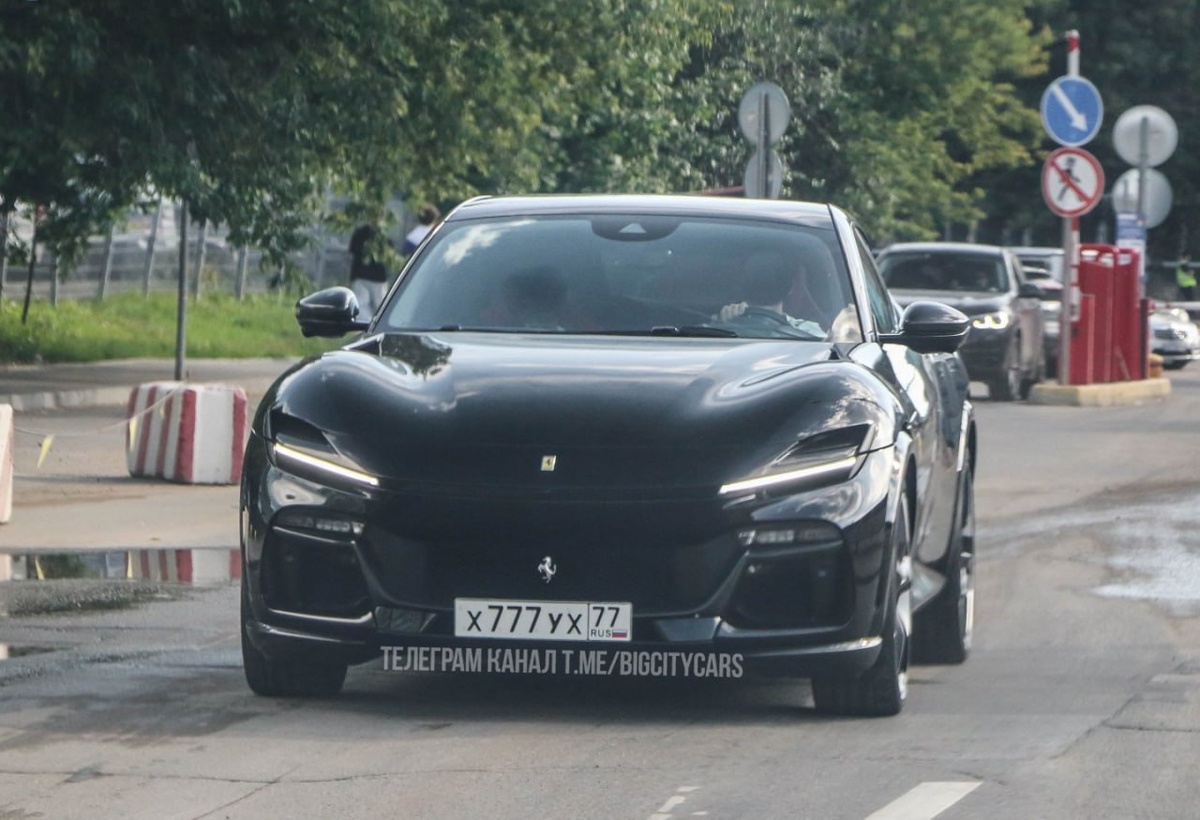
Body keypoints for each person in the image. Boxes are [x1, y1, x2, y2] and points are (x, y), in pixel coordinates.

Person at [713, 250, 824, 337]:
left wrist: (721, 326)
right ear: (791, 289)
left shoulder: (712, 331)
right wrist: (725, 323)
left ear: (739, 287)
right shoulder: (811, 334)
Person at [348, 223, 390, 318]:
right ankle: (376, 323)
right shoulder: (383, 236)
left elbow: (352, 251)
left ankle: (366, 323)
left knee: (362, 305)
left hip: (361, 274)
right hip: (377, 277)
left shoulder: (359, 234)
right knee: (380, 306)